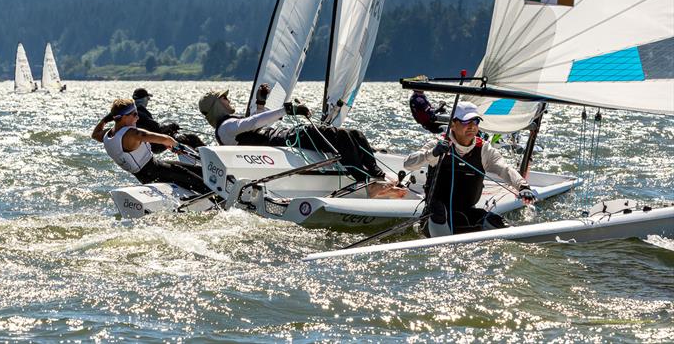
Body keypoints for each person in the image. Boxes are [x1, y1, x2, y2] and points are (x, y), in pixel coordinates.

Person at [402, 101, 537, 237]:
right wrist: (432, 153)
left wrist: (523, 186)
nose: (472, 127)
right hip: (435, 215)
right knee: (439, 212)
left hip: (465, 212)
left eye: (476, 121)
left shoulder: (484, 149)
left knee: (494, 220)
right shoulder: (439, 145)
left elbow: (504, 169)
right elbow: (408, 164)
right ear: (453, 124)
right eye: (467, 122)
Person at [198, 84, 385, 182]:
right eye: (224, 97)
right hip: (285, 140)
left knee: (354, 133)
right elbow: (253, 122)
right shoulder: (225, 128)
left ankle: (375, 171)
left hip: (285, 136)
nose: (228, 99)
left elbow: (254, 125)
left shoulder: (229, 126)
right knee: (339, 135)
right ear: (216, 105)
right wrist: (287, 110)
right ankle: (362, 177)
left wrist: (261, 103)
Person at [91, 99, 209, 194]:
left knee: (198, 170)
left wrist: (106, 119)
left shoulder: (107, 135)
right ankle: (219, 200)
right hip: (156, 171)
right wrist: (177, 146)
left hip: (147, 173)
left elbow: (94, 134)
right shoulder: (133, 134)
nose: (137, 117)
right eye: (135, 114)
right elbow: (165, 139)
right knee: (201, 182)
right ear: (124, 117)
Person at [132, 87, 206, 152]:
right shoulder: (141, 114)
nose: (148, 101)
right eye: (148, 98)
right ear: (143, 99)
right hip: (155, 145)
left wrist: (169, 129)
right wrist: (172, 126)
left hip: (148, 143)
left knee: (178, 137)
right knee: (192, 138)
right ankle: (207, 156)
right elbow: (158, 129)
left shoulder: (133, 113)